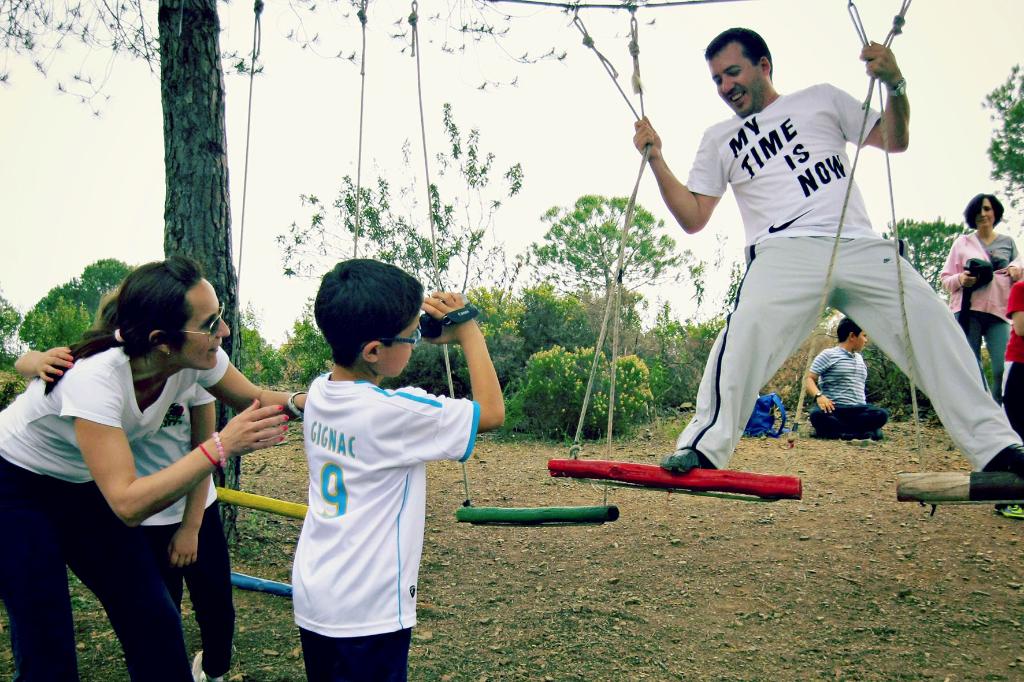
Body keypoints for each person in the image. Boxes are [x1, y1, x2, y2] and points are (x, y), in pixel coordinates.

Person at [631, 27, 1024, 478]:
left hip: (857, 243)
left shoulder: (821, 99)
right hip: (783, 252)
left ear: (763, 66)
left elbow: (894, 139)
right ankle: (703, 447)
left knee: (934, 326)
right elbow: (693, 216)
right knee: (743, 333)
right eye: (717, 79)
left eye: (733, 72)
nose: (725, 86)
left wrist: (895, 85)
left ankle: (998, 448)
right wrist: (656, 158)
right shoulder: (719, 138)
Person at [0, 256, 299, 681]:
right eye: (210, 324)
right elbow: (127, 504)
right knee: (46, 638)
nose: (224, 332)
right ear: (161, 341)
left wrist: (327, 401)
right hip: (15, 486)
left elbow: (259, 397)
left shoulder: (195, 360)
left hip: (83, 485)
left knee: (154, 619)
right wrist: (220, 446)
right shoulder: (96, 379)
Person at [291, 259, 504, 682]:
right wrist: (468, 331)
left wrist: (412, 333)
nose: (417, 342)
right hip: (368, 609)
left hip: (317, 592)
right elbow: (493, 412)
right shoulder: (394, 412)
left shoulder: (319, 393)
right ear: (373, 351)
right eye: (412, 336)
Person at [16, 345, 233, 682]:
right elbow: (37, 361)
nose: (220, 334)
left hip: (185, 505)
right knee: (155, 611)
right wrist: (38, 361)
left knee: (198, 608)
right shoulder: (104, 373)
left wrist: (191, 526)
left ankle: (212, 671)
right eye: (207, 324)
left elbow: (213, 438)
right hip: (133, 508)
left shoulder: (194, 367)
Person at [940, 193, 1021, 403]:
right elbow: (945, 279)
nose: (983, 214)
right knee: (970, 368)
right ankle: (977, 411)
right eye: (978, 210)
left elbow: (1020, 273)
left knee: (1002, 367)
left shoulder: (1008, 242)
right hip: (968, 311)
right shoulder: (962, 243)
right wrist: (961, 279)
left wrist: (1015, 269)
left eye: (987, 209)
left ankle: (998, 411)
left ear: (995, 212)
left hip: (999, 312)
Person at [805, 317, 888, 440]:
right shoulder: (828, 355)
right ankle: (862, 433)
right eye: (864, 336)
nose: (866, 340)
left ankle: (839, 433)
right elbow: (808, 379)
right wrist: (819, 396)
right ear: (852, 336)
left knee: (881, 414)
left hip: (858, 410)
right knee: (816, 415)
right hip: (836, 409)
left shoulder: (859, 358)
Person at [998, 280, 1024, 519]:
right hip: (1020, 364)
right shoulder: (1021, 288)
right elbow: (1021, 327)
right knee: (1014, 429)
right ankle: (1008, 498)